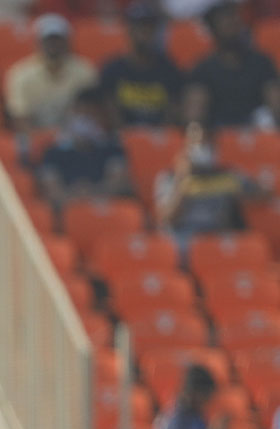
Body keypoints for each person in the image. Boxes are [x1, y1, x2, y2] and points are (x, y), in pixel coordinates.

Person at [154, 120, 266, 259]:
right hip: (185, 241)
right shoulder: (169, 178)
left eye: (207, 142)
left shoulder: (227, 176)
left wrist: (241, 195)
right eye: (197, 142)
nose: (202, 147)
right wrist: (182, 179)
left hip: (216, 239)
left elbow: (262, 193)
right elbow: (166, 218)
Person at [184, 0, 280, 128]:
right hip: (218, 133)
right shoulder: (204, 69)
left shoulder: (261, 62)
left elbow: (275, 102)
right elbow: (194, 114)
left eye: (234, 22)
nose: (232, 28)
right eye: (225, 24)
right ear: (213, 30)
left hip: (256, 130)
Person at [37, 85, 132, 211]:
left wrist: (92, 192)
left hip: (104, 210)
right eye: (82, 114)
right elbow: (52, 191)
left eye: (91, 115)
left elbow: (119, 184)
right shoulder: (53, 152)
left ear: (102, 118)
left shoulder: (112, 150)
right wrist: (75, 196)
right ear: (72, 115)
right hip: (67, 212)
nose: (86, 120)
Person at [5, 14, 98, 135]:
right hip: (36, 135)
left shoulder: (84, 70)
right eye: (48, 40)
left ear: (68, 42)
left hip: (76, 137)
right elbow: (19, 117)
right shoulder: (20, 74)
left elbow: (91, 113)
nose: (53, 45)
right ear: (38, 43)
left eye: (57, 40)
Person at [98, 1, 184, 127]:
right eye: (140, 26)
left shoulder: (170, 70)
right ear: (129, 30)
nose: (145, 32)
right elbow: (110, 114)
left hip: (159, 140)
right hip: (121, 140)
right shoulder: (112, 70)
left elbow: (172, 113)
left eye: (150, 27)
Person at [156, 363, 228, 429]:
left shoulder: (196, 413)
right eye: (205, 395)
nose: (207, 401)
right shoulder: (175, 417)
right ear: (194, 392)